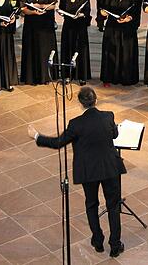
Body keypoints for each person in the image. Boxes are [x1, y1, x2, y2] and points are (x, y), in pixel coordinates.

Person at [27, 87, 127, 258]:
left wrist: (37, 136)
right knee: (113, 206)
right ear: (96, 100)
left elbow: (58, 143)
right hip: (110, 168)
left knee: (91, 204)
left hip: (89, 171)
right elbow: (115, 135)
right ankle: (115, 246)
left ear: (81, 103)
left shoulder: (75, 124)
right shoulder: (108, 116)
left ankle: (98, 241)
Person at [17, 0, 57, 85]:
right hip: (31, 24)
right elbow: (23, 9)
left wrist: (42, 6)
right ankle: (32, 77)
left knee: (45, 49)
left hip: (46, 23)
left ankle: (46, 76)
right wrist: (33, 11)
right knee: (32, 50)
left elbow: (53, 4)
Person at [100, 0, 139, 86]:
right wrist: (103, 13)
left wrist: (129, 18)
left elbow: (136, 12)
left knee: (126, 53)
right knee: (110, 52)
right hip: (112, 28)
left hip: (127, 29)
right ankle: (108, 78)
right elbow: (103, 9)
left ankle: (126, 79)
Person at [58, 0, 91, 84]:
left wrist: (81, 14)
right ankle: (67, 76)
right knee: (67, 49)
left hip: (80, 25)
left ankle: (82, 76)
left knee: (80, 49)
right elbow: (62, 8)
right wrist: (61, 12)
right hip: (68, 25)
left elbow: (87, 10)